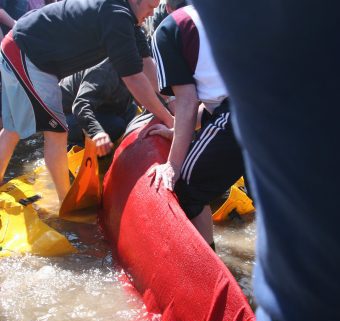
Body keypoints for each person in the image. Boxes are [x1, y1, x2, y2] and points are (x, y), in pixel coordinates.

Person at [192, 0, 340, 321]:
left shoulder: (178, 30)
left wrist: (172, 160)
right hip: (292, 309)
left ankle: (213, 273)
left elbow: (191, 101)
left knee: (189, 188)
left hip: (298, 311)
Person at [0, 0, 173, 202]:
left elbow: (146, 63)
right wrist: (169, 120)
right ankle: (66, 200)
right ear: (135, 1)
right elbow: (133, 78)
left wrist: (169, 100)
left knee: (13, 129)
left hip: (22, 47)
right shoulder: (117, 16)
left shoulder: (129, 21)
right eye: (151, 6)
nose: (152, 14)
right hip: (24, 52)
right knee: (57, 131)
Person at [148, 5, 246, 249]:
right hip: (287, 108)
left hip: (243, 111)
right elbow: (213, 100)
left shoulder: (168, 29)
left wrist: (172, 165)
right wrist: (179, 133)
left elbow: (187, 101)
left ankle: (207, 276)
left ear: (167, 7)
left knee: (188, 189)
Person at [60, 58, 138, 157]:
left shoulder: (135, 64)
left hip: (97, 105)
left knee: (132, 110)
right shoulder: (104, 71)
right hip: (66, 115)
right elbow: (80, 106)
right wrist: (97, 133)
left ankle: (106, 146)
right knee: (116, 126)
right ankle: (79, 149)